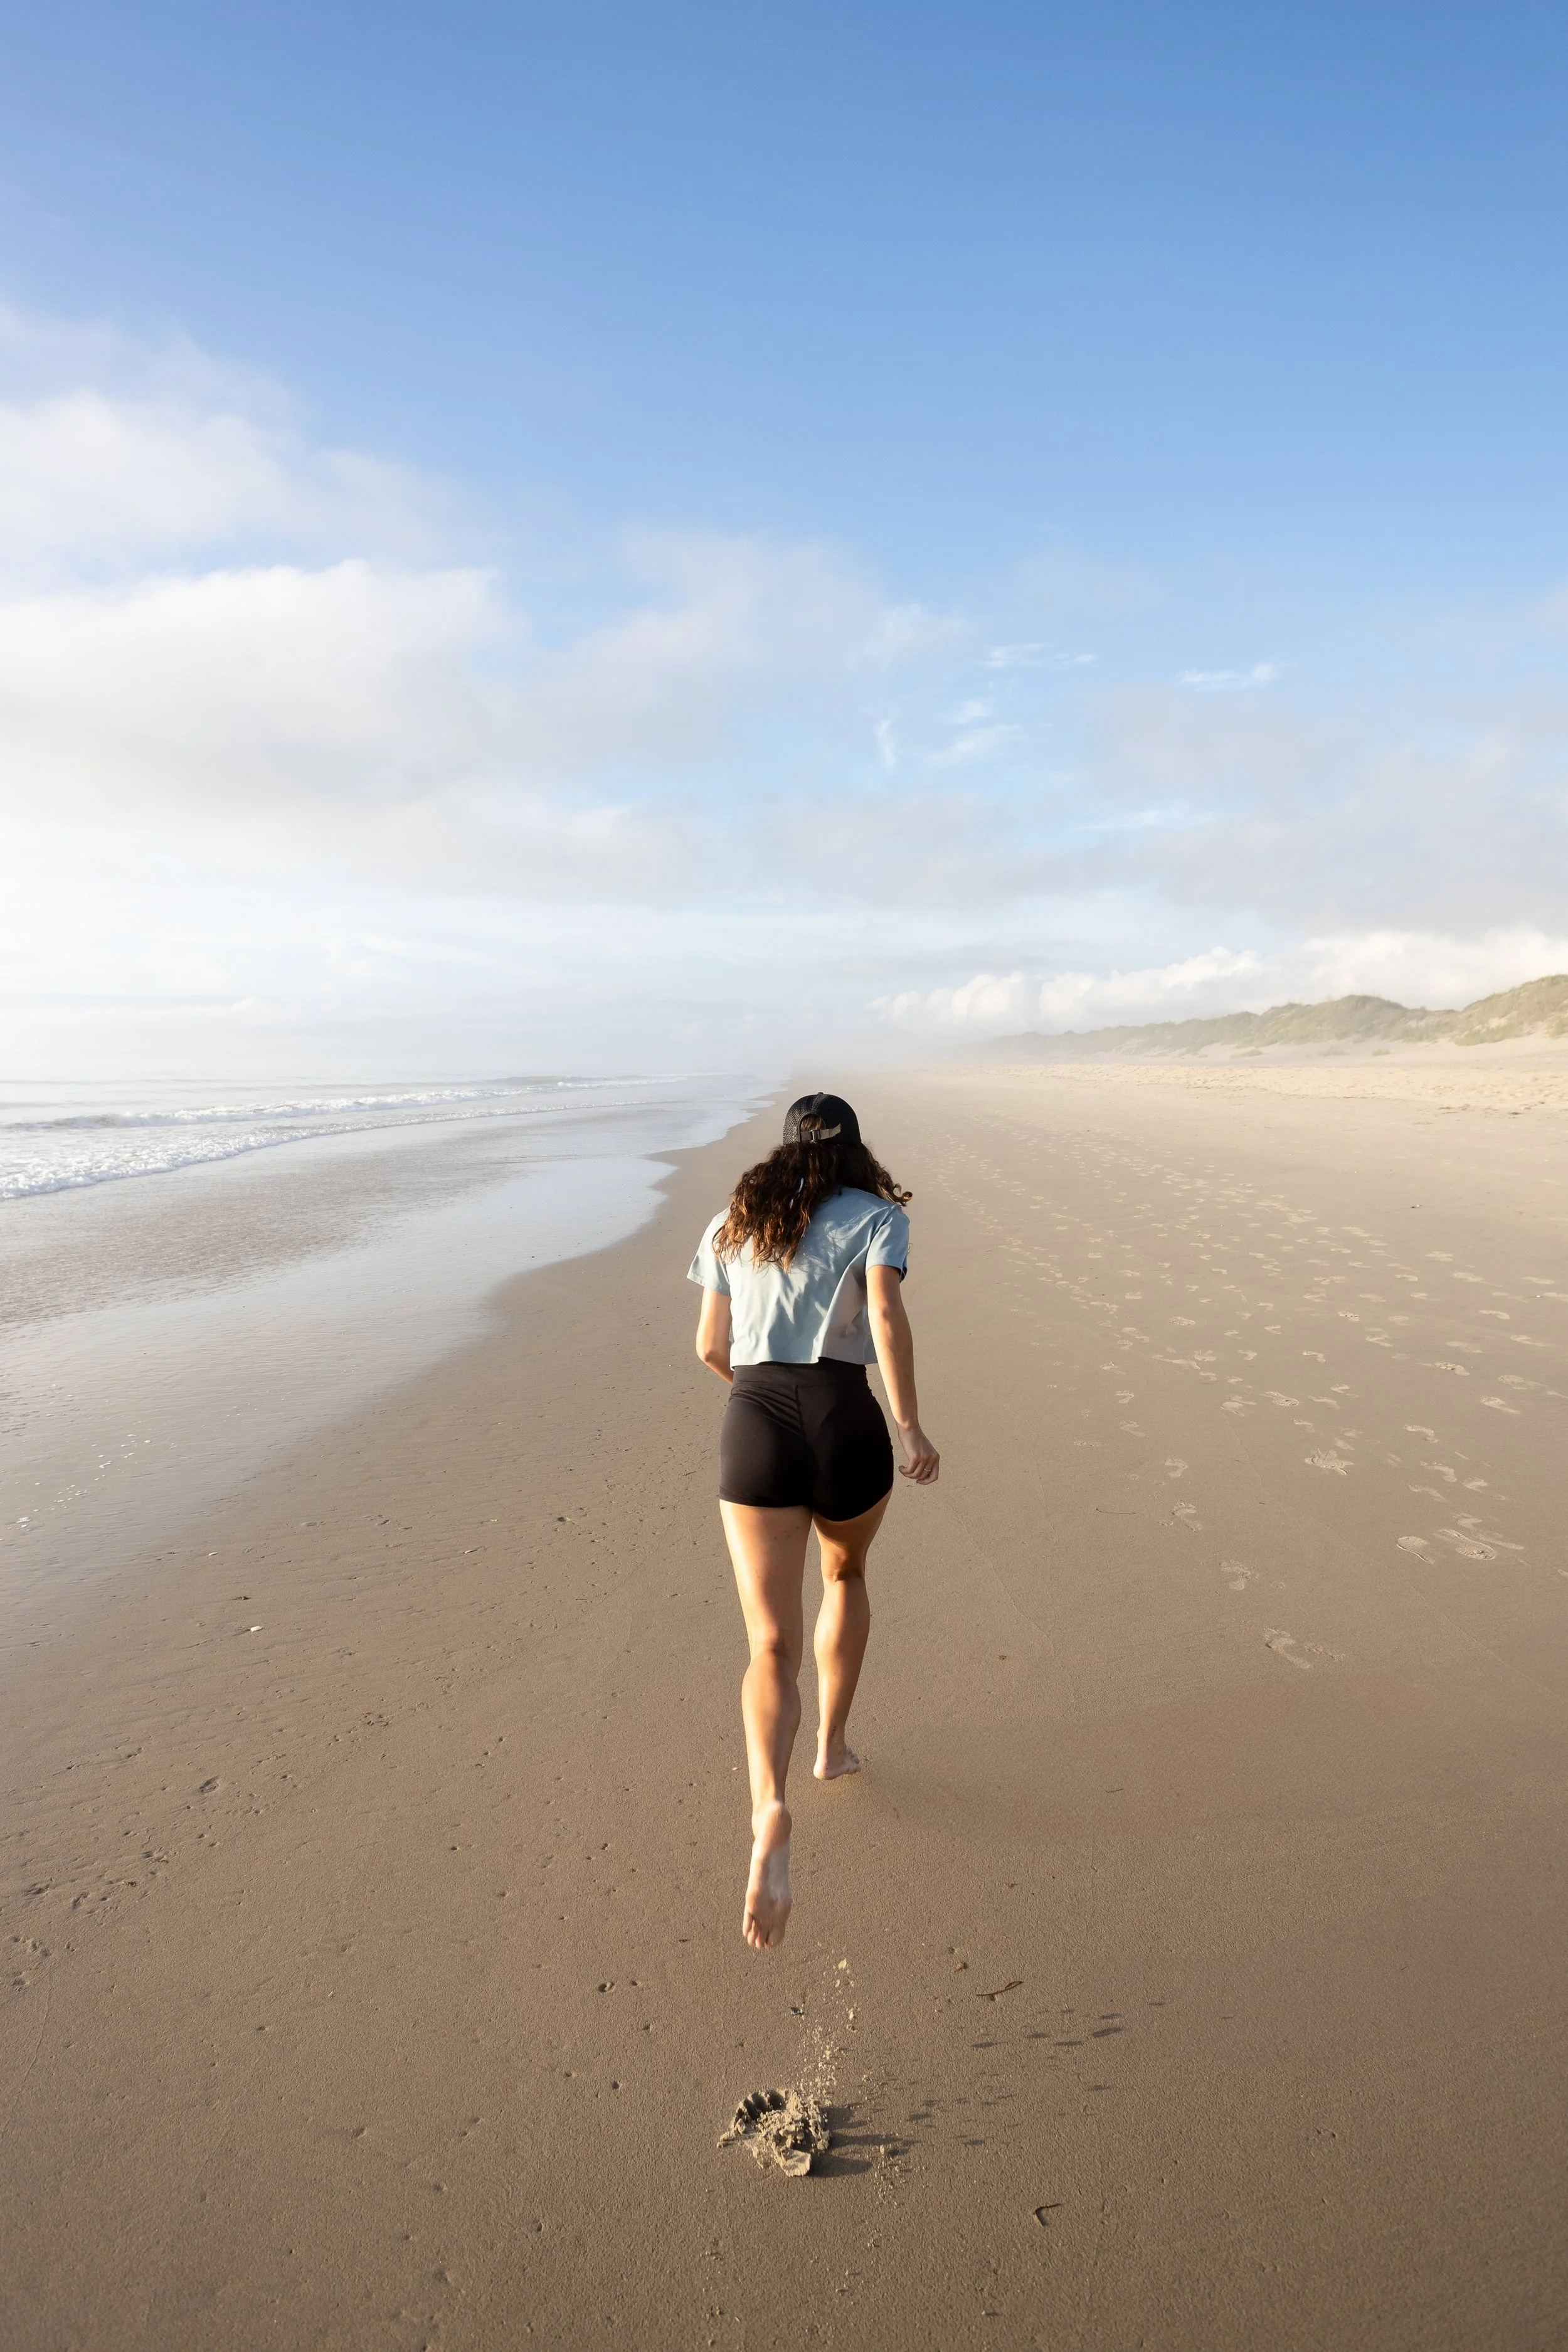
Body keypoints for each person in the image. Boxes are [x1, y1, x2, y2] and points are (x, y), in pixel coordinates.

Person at [689, 1092, 940, 1951]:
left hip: (755, 1414)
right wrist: (907, 1424)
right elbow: (885, 1318)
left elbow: (709, 1349)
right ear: (856, 1145)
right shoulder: (877, 1219)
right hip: (845, 1417)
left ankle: (770, 1805)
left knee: (768, 1644)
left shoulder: (736, 1219)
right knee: (847, 1574)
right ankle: (831, 1746)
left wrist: (761, 1406)